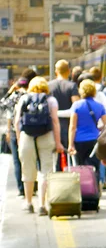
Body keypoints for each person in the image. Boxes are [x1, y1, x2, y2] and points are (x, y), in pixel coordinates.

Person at [14, 76, 64, 215]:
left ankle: (28, 202)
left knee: (28, 170)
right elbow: (55, 122)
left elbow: (17, 121)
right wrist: (58, 142)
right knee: (46, 170)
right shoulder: (51, 100)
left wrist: (19, 140)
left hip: (27, 136)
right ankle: (42, 205)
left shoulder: (24, 98)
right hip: (46, 135)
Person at [5, 69, 37, 197]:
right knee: (31, 159)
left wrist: (8, 130)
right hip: (29, 131)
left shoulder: (14, 96)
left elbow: (7, 112)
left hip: (14, 131)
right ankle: (32, 186)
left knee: (17, 161)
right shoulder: (32, 95)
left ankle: (21, 188)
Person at [68, 80, 106, 181]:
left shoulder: (76, 106)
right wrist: (99, 128)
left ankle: (82, 191)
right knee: (94, 167)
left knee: (80, 168)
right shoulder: (100, 106)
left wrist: (70, 144)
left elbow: (72, 126)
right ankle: (94, 191)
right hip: (94, 140)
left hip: (79, 141)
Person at [49, 60, 80, 171]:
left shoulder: (49, 86)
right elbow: (77, 106)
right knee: (68, 155)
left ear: (56, 71)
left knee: (53, 156)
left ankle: (55, 177)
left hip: (52, 125)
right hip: (68, 124)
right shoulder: (72, 86)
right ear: (68, 71)